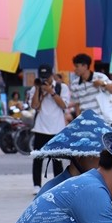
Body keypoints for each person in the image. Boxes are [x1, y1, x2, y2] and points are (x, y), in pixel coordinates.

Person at [32, 110, 112, 194]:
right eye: (98, 156)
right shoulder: (64, 189)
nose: (104, 164)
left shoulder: (85, 184)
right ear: (79, 156)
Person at [30, 64, 69, 194]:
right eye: (42, 77)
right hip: (40, 128)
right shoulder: (35, 89)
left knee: (57, 160)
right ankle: (36, 185)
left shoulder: (62, 87)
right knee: (38, 158)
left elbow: (64, 105)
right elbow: (35, 106)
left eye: (46, 77)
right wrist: (38, 90)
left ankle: (57, 184)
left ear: (52, 75)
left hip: (57, 129)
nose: (44, 80)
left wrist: (52, 92)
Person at [68, 53, 112, 121]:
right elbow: (77, 105)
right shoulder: (74, 84)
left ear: (85, 66)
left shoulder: (99, 77)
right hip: (86, 121)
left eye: (77, 66)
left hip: (103, 119)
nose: (74, 69)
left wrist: (103, 84)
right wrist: (79, 120)